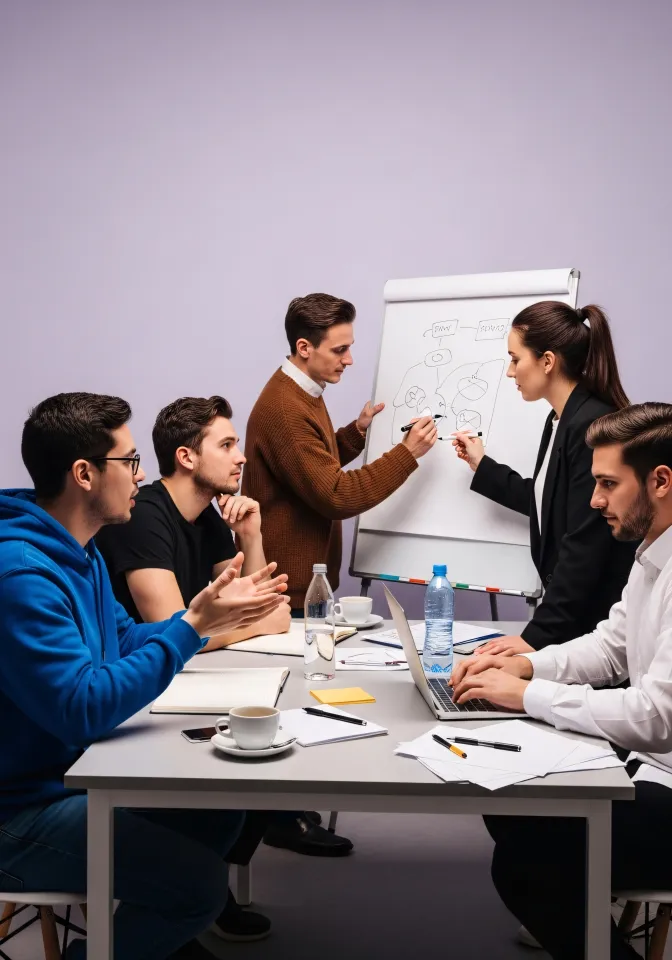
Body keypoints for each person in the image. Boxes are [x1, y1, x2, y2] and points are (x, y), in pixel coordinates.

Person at [0, 392, 289, 960]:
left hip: (78, 773)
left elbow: (123, 639)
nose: (139, 475)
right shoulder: (20, 574)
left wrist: (199, 622)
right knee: (199, 888)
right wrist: (190, 631)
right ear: (84, 474)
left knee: (220, 803)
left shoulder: (79, 553)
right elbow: (82, 705)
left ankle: (147, 935)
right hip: (20, 810)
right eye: (128, 461)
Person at [96, 395, 355, 934]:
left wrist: (252, 535)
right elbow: (173, 624)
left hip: (189, 676)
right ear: (187, 457)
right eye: (227, 445)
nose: (241, 458)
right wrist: (247, 623)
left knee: (265, 751)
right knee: (248, 765)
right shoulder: (145, 518)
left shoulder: (210, 517)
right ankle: (193, 899)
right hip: (142, 695)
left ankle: (199, 901)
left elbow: (266, 608)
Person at [450, 402, 672, 960]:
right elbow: (609, 645)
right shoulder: (652, 555)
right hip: (649, 769)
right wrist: (524, 665)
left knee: (526, 858)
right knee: (507, 797)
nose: (594, 501)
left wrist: (527, 695)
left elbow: (655, 716)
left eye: (607, 484)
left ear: (661, 482)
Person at [452, 301, 637, 655]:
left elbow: (583, 545)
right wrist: (482, 464)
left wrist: (533, 638)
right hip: (575, 620)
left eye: (515, 358)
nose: (510, 371)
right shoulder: (560, 420)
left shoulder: (589, 425)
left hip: (593, 624)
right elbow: (546, 500)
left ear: (547, 361)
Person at [242, 292, 438, 611]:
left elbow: (305, 465)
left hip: (300, 586)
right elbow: (336, 494)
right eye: (340, 350)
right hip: (286, 596)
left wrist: (354, 433)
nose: (349, 360)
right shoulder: (285, 408)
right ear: (304, 348)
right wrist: (407, 453)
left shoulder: (301, 390)